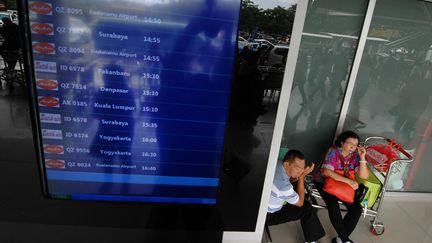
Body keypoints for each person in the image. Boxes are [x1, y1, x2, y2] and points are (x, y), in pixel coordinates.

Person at [313, 131, 369, 243]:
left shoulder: (356, 156)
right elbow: (326, 172)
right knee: (333, 206)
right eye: (350, 143)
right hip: (324, 182)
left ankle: (340, 239)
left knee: (357, 209)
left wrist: (362, 157)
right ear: (342, 142)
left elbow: (364, 176)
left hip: (344, 185)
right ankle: (344, 239)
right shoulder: (333, 151)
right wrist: (348, 181)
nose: (353, 147)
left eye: (355, 144)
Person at [267, 150, 325, 243]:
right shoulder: (284, 186)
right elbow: (300, 203)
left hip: (260, 200)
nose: (301, 171)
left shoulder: (277, 163)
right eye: (297, 168)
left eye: (302, 168)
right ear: (286, 164)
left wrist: (299, 175)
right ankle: (311, 240)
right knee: (306, 208)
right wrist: (302, 177)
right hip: (267, 215)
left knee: (297, 184)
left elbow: (290, 180)